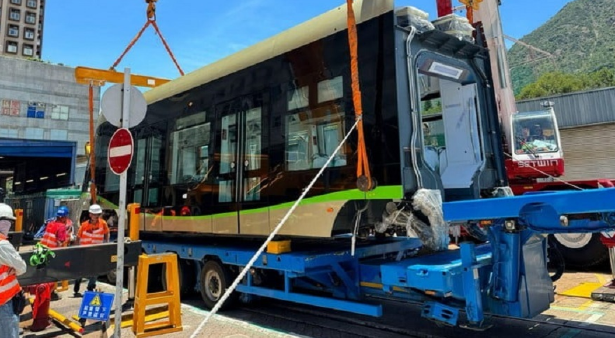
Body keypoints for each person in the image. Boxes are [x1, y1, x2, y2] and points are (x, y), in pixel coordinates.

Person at [0, 203, 27, 338]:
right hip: (3, 302)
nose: (8, 225)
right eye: (7, 221)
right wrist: (13, 269)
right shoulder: (2, 244)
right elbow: (22, 267)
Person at [73, 204, 109, 297]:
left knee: (95, 270)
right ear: (90, 214)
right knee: (81, 270)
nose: (95, 216)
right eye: (93, 214)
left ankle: (90, 287)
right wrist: (76, 249)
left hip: (97, 251)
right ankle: (77, 283)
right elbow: (78, 237)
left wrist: (106, 245)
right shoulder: (84, 225)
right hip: (84, 251)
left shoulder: (103, 223)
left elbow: (106, 234)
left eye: (97, 214)